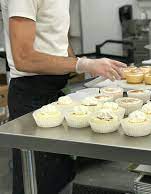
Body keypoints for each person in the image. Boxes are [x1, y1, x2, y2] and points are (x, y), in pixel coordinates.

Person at [0, 0, 126, 194]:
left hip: (55, 91)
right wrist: (83, 64)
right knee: (38, 182)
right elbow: (23, 57)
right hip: (31, 96)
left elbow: (56, 36)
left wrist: (82, 66)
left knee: (61, 176)